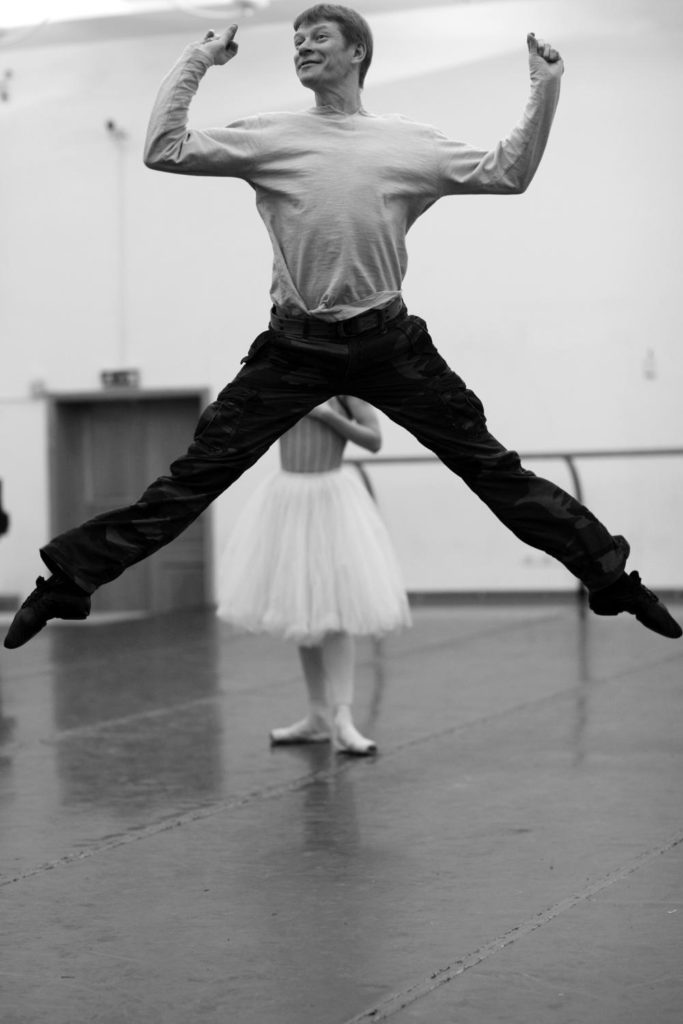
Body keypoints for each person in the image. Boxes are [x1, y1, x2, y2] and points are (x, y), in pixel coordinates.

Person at [4, 4, 680, 651]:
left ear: (357, 51)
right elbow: (163, 147)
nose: (302, 46)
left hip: (389, 344)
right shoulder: (270, 135)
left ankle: (609, 577)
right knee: (193, 478)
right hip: (295, 348)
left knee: (490, 468)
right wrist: (197, 59)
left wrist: (544, 87)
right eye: (295, 39)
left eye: (317, 36)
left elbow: (509, 171)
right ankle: (70, 579)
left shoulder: (407, 143)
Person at [216, 396, 410, 754]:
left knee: (335, 615)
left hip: (330, 501)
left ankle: (344, 718)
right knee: (300, 613)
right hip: (287, 501)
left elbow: (374, 440)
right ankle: (318, 714)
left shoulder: (345, 389)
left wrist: (325, 415)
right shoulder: (282, 382)